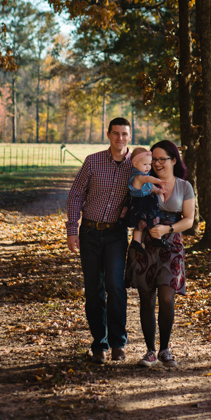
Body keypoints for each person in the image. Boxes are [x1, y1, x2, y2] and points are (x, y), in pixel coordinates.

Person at [66, 118, 157, 365]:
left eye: (124, 134)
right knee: (94, 290)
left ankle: (118, 343)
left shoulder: (136, 166)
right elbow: (75, 195)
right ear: (108, 134)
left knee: (115, 286)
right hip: (89, 233)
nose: (119, 138)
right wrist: (71, 229)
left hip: (116, 234)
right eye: (115, 133)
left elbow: (152, 184)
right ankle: (99, 344)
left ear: (130, 136)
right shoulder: (93, 161)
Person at [125, 140, 195, 369]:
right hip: (146, 245)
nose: (156, 163)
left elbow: (189, 219)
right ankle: (150, 352)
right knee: (146, 299)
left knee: (167, 296)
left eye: (161, 159)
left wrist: (168, 229)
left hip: (171, 245)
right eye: (153, 159)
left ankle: (165, 349)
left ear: (174, 160)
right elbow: (133, 193)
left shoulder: (185, 186)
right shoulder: (145, 183)